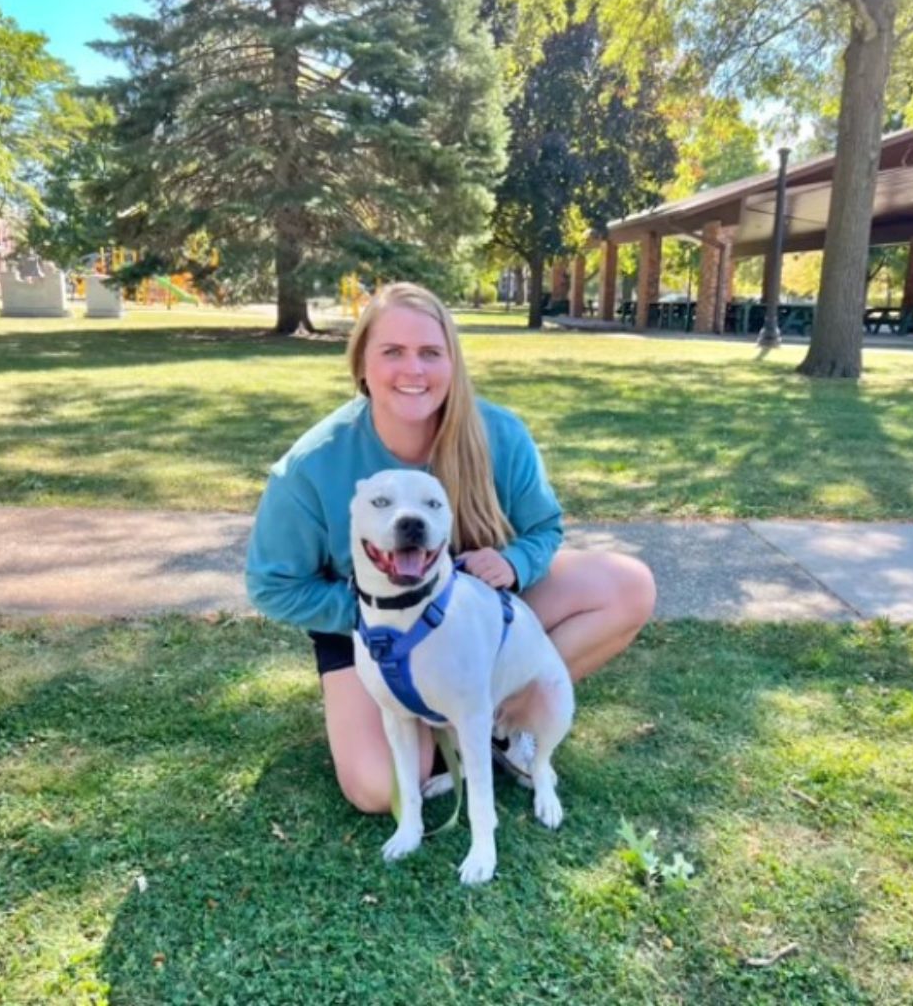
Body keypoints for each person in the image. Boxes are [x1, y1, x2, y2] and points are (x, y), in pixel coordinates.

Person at [245, 282, 655, 814]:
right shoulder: (311, 468)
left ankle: (499, 728)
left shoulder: (499, 434)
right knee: (380, 788)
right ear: (361, 364)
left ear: (452, 363)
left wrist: (512, 562)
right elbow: (271, 585)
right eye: (392, 351)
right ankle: (422, 721)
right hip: (372, 632)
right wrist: (375, 612)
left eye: (430, 353)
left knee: (627, 587)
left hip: (479, 610)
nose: (413, 370)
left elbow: (545, 528)